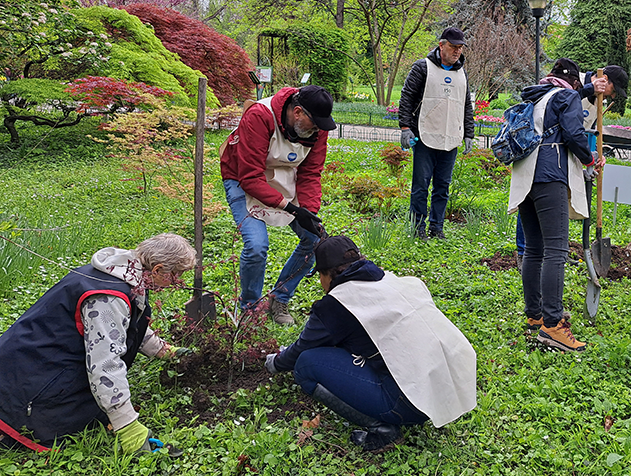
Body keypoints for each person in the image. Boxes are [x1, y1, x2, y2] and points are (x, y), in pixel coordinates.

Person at [264, 235, 476, 451]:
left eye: (320, 276)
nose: (321, 283)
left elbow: (302, 348)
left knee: (306, 364)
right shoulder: (398, 281)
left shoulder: (336, 304)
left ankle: (381, 428)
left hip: (407, 404)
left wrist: (275, 362)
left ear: (328, 274)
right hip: (447, 391)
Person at [0, 233, 196, 454]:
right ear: (158, 269)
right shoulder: (108, 299)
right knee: (43, 422)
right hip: (27, 377)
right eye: (177, 275)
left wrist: (163, 350)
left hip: (30, 355)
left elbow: (124, 325)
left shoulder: (122, 271)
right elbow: (105, 364)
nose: (177, 282)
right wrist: (127, 425)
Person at [220, 85, 335, 325]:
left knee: (313, 240)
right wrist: (291, 209)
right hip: (242, 176)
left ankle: (279, 298)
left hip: (283, 173)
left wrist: (309, 212)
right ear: (297, 112)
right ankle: (250, 308)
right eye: (313, 124)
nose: (317, 130)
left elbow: (311, 172)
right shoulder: (259, 116)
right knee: (256, 246)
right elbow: (250, 177)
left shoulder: (318, 127)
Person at [508, 58, 599, 352]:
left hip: (525, 177)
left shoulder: (535, 97)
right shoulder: (566, 96)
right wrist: (590, 159)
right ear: (573, 82)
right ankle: (552, 325)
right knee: (556, 250)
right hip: (550, 175)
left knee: (534, 249)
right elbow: (573, 134)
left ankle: (535, 314)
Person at [514, 64, 628, 269]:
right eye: (613, 90)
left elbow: (586, 132)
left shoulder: (598, 101)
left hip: (565, 156)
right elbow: (561, 99)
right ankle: (524, 252)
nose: (612, 96)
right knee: (531, 201)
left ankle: (555, 249)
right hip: (543, 154)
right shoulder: (570, 81)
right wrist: (589, 89)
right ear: (605, 80)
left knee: (559, 206)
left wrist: (592, 157)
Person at [398, 26, 475, 239]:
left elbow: (466, 105)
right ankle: (417, 228)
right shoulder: (422, 67)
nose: (457, 51)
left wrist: (469, 133)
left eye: (460, 47)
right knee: (421, 186)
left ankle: (437, 228)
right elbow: (407, 97)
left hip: (451, 137)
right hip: (424, 135)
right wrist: (405, 127)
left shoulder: (462, 73)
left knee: (442, 187)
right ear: (441, 45)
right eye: (453, 46)